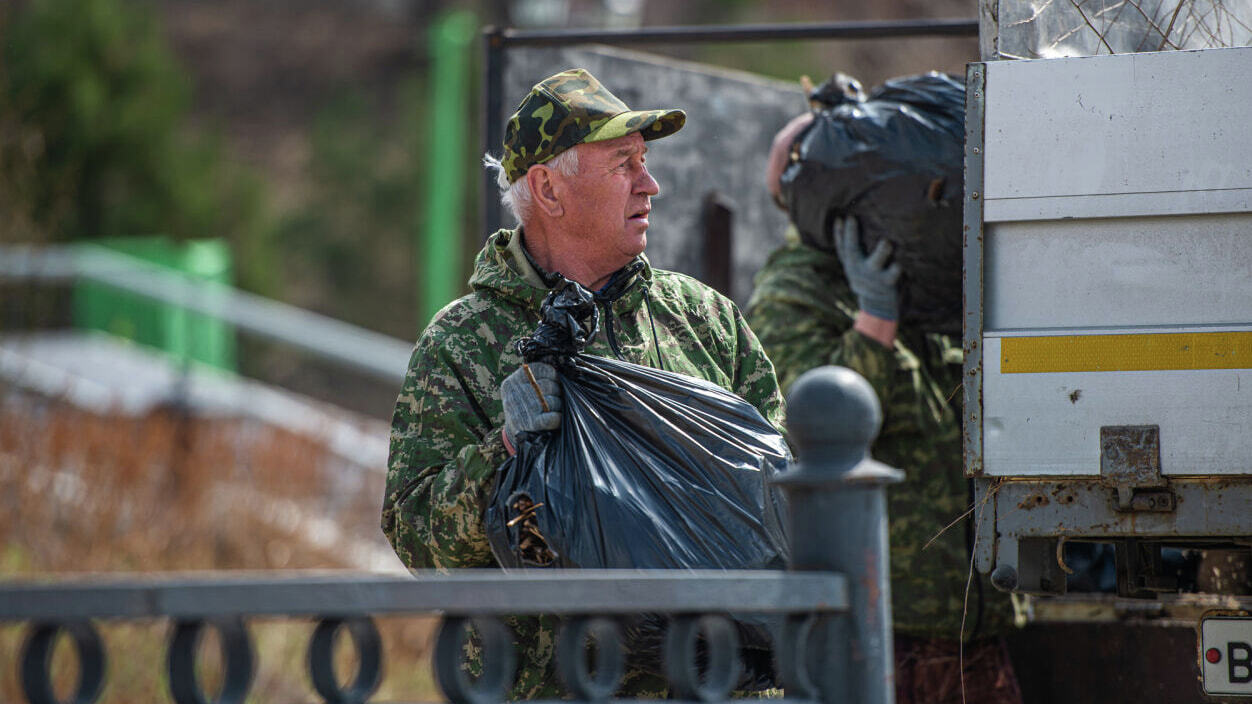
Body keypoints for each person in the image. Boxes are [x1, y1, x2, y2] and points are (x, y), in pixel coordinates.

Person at [382, 68, 785, 699]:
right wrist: (503, 456)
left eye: (645, 161)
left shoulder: (703, 319)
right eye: (624, 163)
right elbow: (419, 545)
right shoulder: (464, 342)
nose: (650, 184)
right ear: (547, 188)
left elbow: (782, 495)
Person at [747, 112, 1022, 704]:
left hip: (977, 623)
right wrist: (875, 316)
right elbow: (809, 425)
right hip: (881, 628)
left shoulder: (931, 276)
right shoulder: (795, 289)